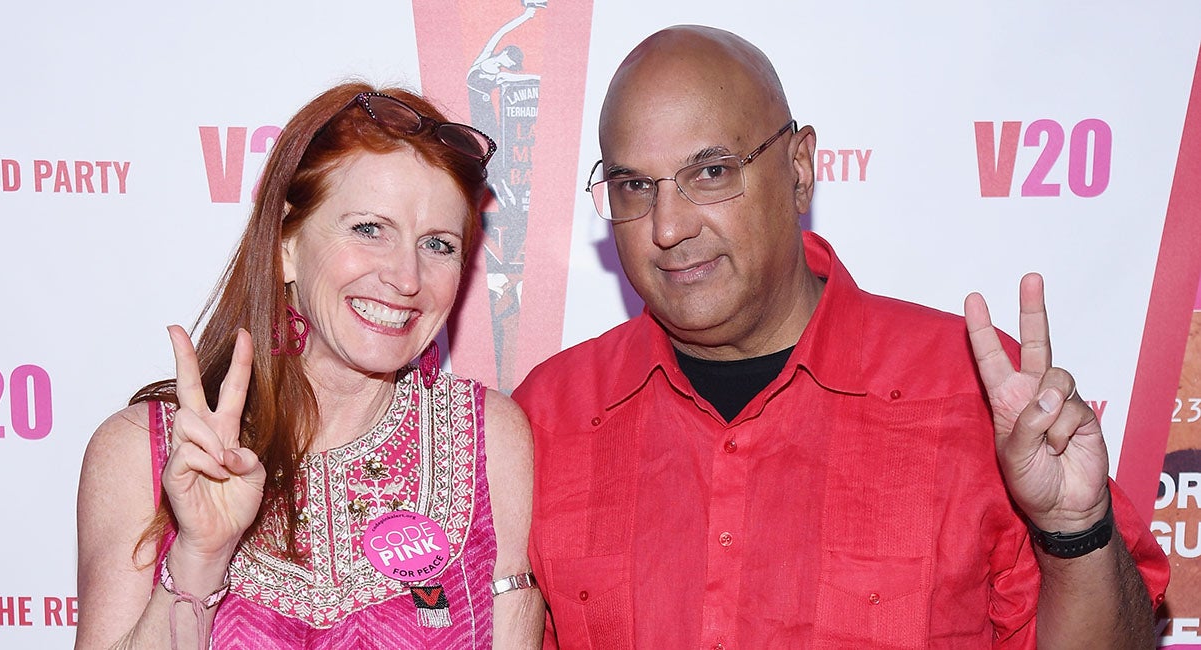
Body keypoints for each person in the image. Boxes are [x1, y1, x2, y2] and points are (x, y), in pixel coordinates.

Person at [512, 25, 1170, 648]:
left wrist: (1073, 531)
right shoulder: (548, 418)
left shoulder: (973, 390)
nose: (668, 227)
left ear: (799, 169)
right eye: (634, 186)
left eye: (711, 173)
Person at [75, 82, 545, 649]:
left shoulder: (490, 439)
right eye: (369, 229)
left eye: (438, 244)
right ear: (286, 245)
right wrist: (199, 559)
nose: (407, 277)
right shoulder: (140, 452)